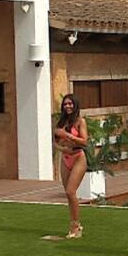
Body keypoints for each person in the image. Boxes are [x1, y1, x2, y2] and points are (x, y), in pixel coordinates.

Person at [54, 94, 89, 239]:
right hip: (65, 158)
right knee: (69, 195)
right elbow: (55, 142)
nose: (67, 106)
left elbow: (84, 141)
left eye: (70, 104)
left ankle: (76, 226)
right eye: (65, 104)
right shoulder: (60, 122)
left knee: (70, 191)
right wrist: (63, 149)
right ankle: (73, 224)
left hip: (78, 157)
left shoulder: (80, 121)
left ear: (75, 105)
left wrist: (68, 136)